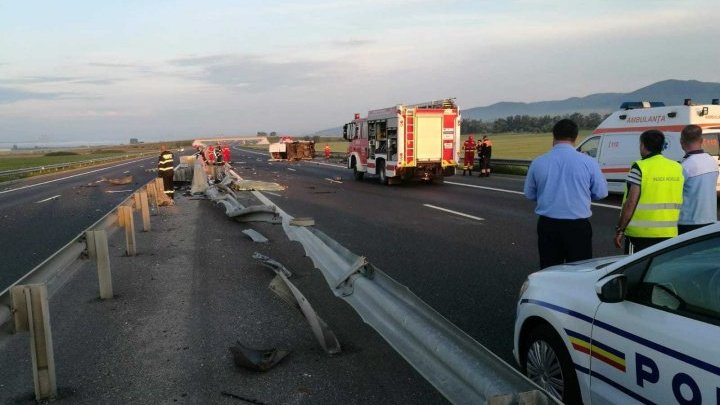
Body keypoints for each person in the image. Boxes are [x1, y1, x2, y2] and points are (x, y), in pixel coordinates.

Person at [524, 119, 608, 269]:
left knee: (549, 270)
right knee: (579, 272)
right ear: (575, 138)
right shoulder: (589, 162)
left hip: (548, 225)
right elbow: (601, 192)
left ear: (554, 136)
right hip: (578, 226)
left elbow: (530, 194)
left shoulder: (538, 162)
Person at [614, 130, 684, 253]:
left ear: (643, 145)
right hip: (669, 232)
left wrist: (621, 229)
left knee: (637, 269)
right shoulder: (677, 167)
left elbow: (631, 202)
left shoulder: (640, 167)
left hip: (640, 234)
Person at [677, 124, 718, 234]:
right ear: (701, 140)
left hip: (688, 222)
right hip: (710, 219)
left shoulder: (684, 166)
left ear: (681, 142)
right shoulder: (712, 162)